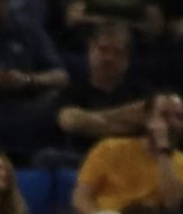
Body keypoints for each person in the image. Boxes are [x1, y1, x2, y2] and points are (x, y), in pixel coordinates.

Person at [72, 92, 183, 214]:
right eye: (164, 115)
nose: (172, 123)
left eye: (179, 117)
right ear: (147, 118)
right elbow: (81, 197)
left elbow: (173, 205)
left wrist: (162, 151)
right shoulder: (109, 147)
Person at [52, 21, 144, 158]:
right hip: (82, 161)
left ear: (127, 59)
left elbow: (147, 117)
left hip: (127, 162)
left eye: (117, 52)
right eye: (103, 49)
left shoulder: (140, 91)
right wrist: (126, 119)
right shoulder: (72, 90)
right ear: (90, 49)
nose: (109, 59)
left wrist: (90, 122)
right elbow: (71, 121)